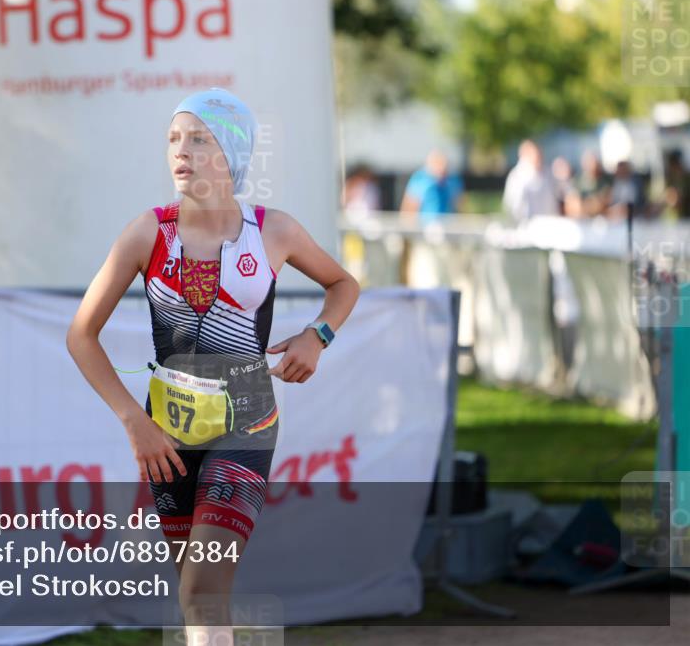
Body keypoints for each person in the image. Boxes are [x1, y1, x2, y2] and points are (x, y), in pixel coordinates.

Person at [66, 87, 360, 643]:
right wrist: (135, 421)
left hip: (246, 421)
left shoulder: (275, 230)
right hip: (167, 431)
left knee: (201, 588)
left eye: (198, 139)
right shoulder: (147, 232)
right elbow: (82, 335)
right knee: (197, 598)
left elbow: (344, 284)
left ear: (231, 153)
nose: (181, 151)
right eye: (174, 139)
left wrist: (317, 337)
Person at [502, 140, 558, 223]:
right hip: (526, 224)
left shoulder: (546, 173)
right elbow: (514, 205)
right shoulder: (518, 176)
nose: (539, 158)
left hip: (546, 222)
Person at [400, 150, 463, 220]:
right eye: (438, 165)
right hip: (424, 225)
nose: (441, 170)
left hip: (447, 224)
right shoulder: (420, 179)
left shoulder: (452, 180)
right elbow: (409, 208)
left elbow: (459, 204)